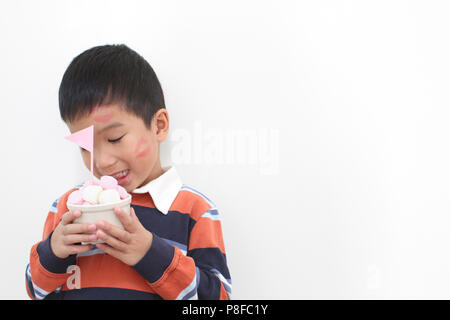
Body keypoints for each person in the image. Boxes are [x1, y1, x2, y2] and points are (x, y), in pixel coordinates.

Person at [25, 44, 231, 300]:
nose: (102, 162)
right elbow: (37, 292)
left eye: (114, 138)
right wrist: (54, 252)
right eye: (85, 147)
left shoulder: (195, 211)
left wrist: (150, 253)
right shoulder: (67, 208)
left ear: (158, 126)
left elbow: (218, 299)